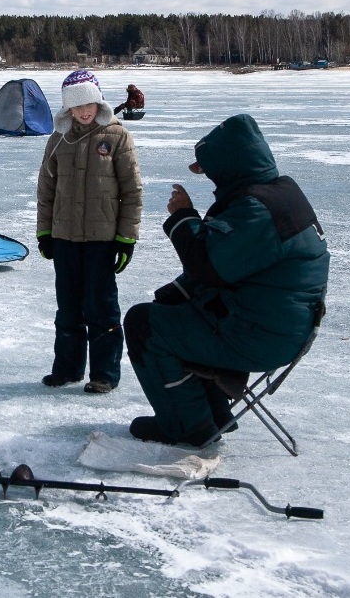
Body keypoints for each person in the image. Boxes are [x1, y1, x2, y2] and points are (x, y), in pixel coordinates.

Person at [124, 113, 329, 446]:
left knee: (143, 324)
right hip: (277, 325)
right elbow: (233, 264)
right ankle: (215, 414)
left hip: (261, 335)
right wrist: (177, 291)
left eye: (211, 173)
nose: (212, 182)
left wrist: (183, 217)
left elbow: (209, 266)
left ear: (228, 168)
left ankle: (188, 426)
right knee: (174, 309)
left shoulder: (260, 210)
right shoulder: (278, 195)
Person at [37, 69, 143, 394]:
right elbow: (46, 189)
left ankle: (104, 374)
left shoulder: (117, 137)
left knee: (101, 307)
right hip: (65, 237)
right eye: (77, 106)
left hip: (101, 239)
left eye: (90, 104)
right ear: (67, 109)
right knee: (68, 307)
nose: (84, 112)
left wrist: (127, 238)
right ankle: (67, 369)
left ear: (99, 102)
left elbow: (133, 191)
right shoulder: (58, 140)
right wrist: (45, 232)